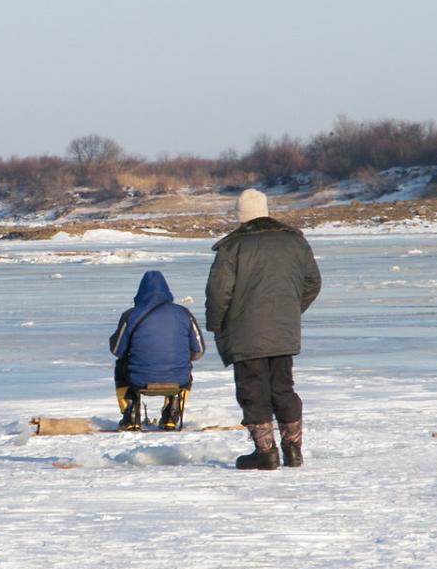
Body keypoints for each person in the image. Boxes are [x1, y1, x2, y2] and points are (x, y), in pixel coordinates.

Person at [205, 189, 321, 469]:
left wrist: (216, 324)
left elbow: (219, 292)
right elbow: (312, 283)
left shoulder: (233, 247)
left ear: (241, 216)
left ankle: (265, 452)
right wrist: (289, 311)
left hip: (246, 333)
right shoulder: (295, 242)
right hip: (283, 331)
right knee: (283, 388)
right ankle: (293, 450)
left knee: (253, 390)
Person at [109, 270, 205, 430]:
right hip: (178, 378)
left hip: (139, 379)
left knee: (121, 368)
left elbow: (117, 350)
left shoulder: (131, 315)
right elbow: (199, 349)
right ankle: (172, 415)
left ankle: (131, 416)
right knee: (186, 372)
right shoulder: (184, 313)